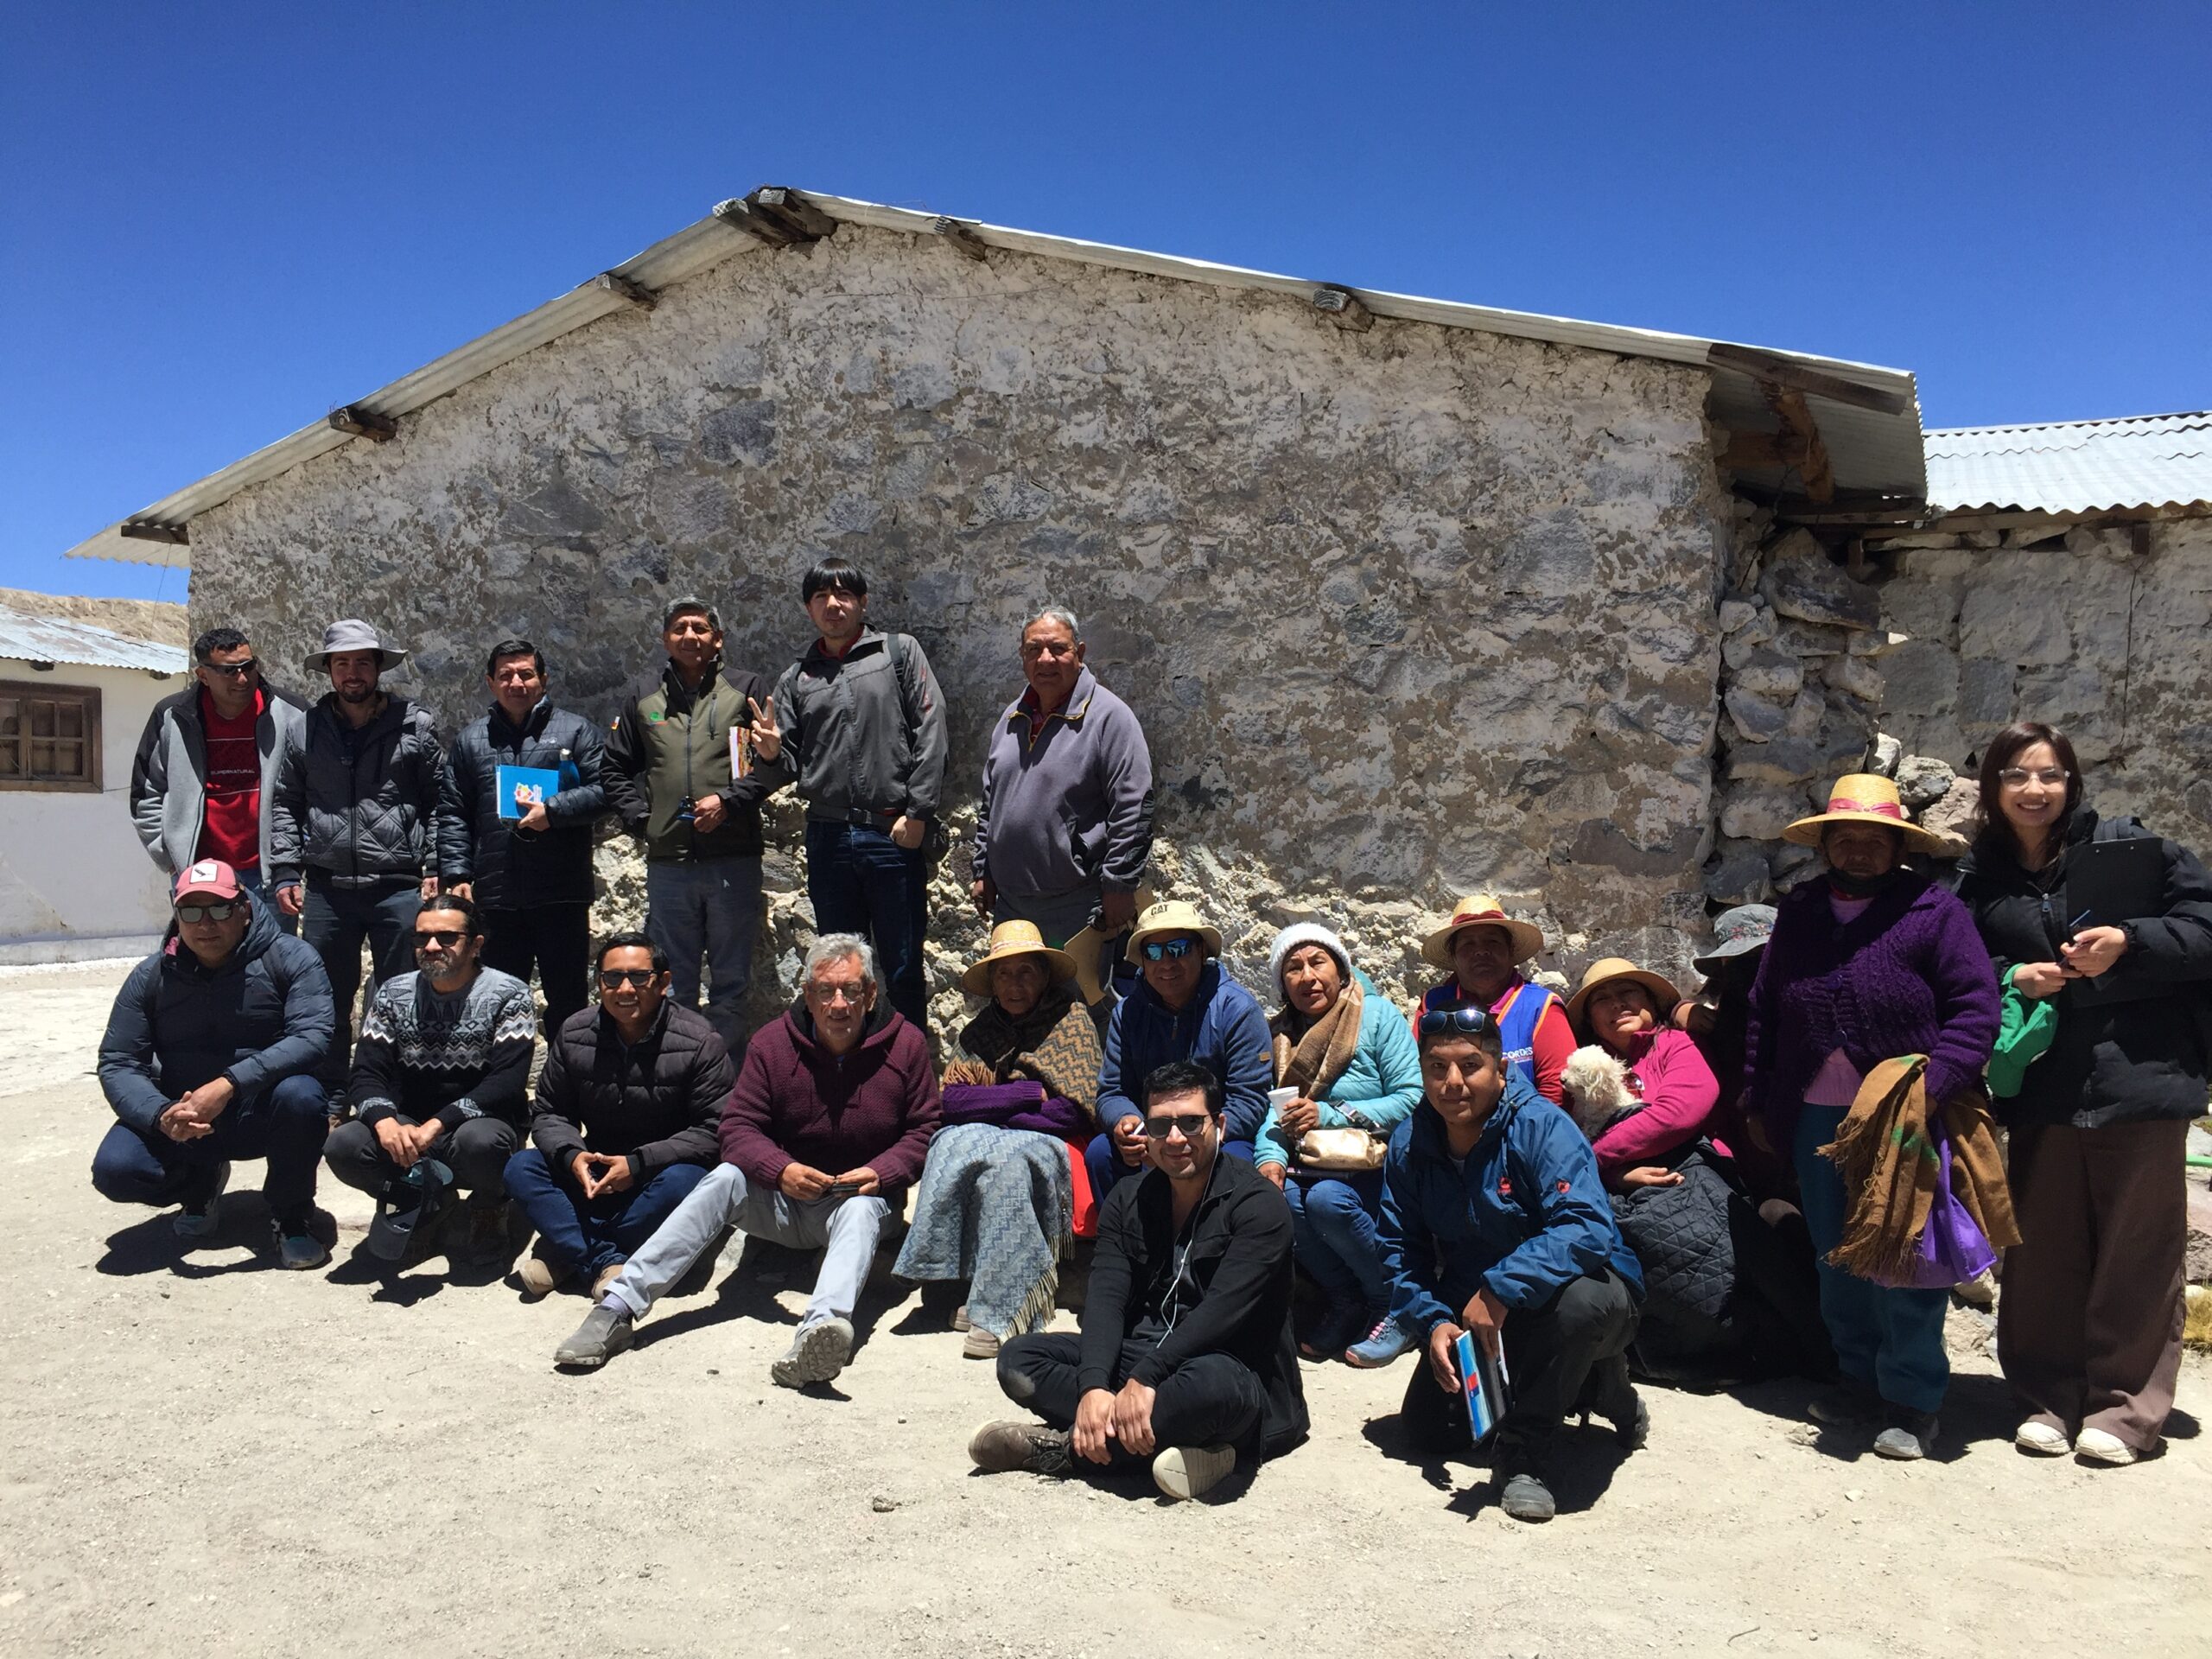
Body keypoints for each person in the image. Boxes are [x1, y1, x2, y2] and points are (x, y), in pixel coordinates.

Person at [1950, 721, 2212, 1466]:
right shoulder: (1977, 877)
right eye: (2016, 775)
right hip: (2044, 1082)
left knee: (2138, 1249)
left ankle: (2123, 1410)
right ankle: (2045, 1398)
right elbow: (1953, 962)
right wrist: (2012, 976)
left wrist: (2130, 942)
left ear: (2072, 782)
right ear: (1993, 787)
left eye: (2050, 775)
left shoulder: (2137, 853)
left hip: (2141, 1075)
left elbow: (2205, 932)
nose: (2034, 789)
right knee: (2041, 1246)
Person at [1745, 773, 2001, 1461]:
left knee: (1906, 1254)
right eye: (1845, 838)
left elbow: (1976, 1010)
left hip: (1904, 1117)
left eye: (1874, 840)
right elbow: (1766, 1008)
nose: (1858, 850)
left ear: (1898, 848)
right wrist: (1758, 1096)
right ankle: (1858, 1379)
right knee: (1837, 1254)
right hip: (1815, 1113)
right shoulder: (1801, 911)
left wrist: (1932, 1089)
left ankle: (1913, 1398)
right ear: (1826, 844)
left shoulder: (1934, 912)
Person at [552, 934, 940, 1388]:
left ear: (870, 994)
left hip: (863, 1202)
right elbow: (737, 1128)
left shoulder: (906, 1045)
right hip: (784, 1202)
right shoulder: (773, 1044)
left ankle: (818, 1334)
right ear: (807, 994)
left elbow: (924, 1130)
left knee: (858, 1210)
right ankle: (616, 1308)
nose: (838, 1004)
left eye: (851, 990)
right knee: (724, 1178)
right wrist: (780, 1170)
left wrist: (881, 1172)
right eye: (825, 990)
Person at [970, 1059, 1309, 1502]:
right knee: (1019, 1360)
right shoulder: (1128, 1198)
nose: (1175, 1139)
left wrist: (1146, 1378)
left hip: (1230, 1367)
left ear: (1220, 1126)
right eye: (1161, 1125)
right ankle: (1192, 1450)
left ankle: (1064, 1451)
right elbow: (1106, 1297)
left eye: (1191, 1123)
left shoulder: (1259, 1205)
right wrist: (1095, 1386)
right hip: (1142, 1361)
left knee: (1208, 1390)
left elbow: (1223, 1313)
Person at [1376, 1006, 1645, 1523]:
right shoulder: (1411, 1141)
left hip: (1579, 1291)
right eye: (1437, 1068)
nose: (1453, 1083)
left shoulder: (1541, 1126)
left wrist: (1501, 1287)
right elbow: (1398, 1248)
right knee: (1430, 1431)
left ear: (1500, 1069)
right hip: (1477, 1306)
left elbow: (1586, 1227)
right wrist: (1433, 1321)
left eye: (1470, 1066)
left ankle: (1527, 1458)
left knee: (1578, 1309)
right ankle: (1595, 1384)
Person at [1564, 957, 1829, 1385]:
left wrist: (1593, 1160)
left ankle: (1818, 1350)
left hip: (1696, 1172)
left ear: (1652, 1005)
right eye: (1603, 1000)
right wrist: (1614, 1176)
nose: (1618, 1004)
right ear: (1591, 1020)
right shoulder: (1584, 1071)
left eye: (1629, 993)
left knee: (1749, 1240)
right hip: (1621, 1184)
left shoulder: (1674, 1045)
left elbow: (1680, 1111)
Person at [92, 861, 336, 1268]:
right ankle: (199, 1188)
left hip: (260, 1111)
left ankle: (291, 1216)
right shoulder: (150, 975)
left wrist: (228, 1084)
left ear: (244, 908)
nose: (205, 924)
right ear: (176, 915)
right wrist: (160, 1114)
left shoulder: (291, 957)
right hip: (185, 1115)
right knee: (117, 1170)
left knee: (302, 1097)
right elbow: (118, 1060)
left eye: (220, 908)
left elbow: (312, 1036)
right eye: (191, 911)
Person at [895, 921, 1104, 1358]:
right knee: (947, 1144)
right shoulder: (981, 1031)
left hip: (1057, 1141)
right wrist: (1025, 1093)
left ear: (1044, 976)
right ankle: (956, 1280)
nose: (1014, 984)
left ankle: (1003, 1307)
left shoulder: (1071, 1021)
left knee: (1009, 1164)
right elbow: (952, 1102)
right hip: (1003, 1128)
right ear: (992, 982)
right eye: (1004, 974)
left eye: (1025, 972)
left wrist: (991, 1106)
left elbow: (1070, 1111)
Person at [756, 560, 950, 1031]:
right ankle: (851, 1067)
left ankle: (908, 1070)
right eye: (821, 597)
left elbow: (932, 728)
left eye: (843, 594)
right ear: (808, 609)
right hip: (829, 838)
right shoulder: (797, 678)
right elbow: (785, 765)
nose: (833, 605)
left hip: (892, 834)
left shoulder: (898, 653)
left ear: (862, 602)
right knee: (842, 972)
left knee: (902, 968)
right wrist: (771, 753)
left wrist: (919, 812)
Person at [505, 931, 734, 1301]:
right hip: (594, 1171)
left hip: (659, 1176)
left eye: (639, 977)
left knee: (689, 1182)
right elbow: (550, 1111)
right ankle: (603, 1260)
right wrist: (573, 1156)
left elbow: (713, 1129)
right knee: (522, 1167)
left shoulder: (699, 1041)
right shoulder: (575, 1032)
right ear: (599, 983)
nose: (625, 989)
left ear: (663, 982)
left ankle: (567, 1251)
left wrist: (638, 1164)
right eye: (612, 978)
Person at [269, 620, 445, 1101]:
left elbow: (439, 801)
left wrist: (435, 866)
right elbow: (286, 801)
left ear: (378, 668)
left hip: (398, 884)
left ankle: (391, 1091)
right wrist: (286, 869)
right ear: (328, 670)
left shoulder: (414, 724)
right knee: (325, 995)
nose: (353, 672)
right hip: (327, 888)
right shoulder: (304, 729)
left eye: (363, 662)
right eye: (342, 663)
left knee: (403, 993)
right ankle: (331, 1094)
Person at [321, 893, 539, 1264]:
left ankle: (490, 1206)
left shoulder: (509, 994)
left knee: (481, 1144)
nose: (432, 946)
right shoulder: (393, 993)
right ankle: (423, 1199)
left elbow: (507, 1081)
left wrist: (440, 1123)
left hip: (479, 1124)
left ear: (475, 945)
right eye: (422, 937)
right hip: (410, 1123)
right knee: (344, 1146)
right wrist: (384, 1121)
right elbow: (367, 1072)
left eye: (447, 937)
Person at [604, 598, 777, 1056]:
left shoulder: (746, 689)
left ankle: (725, 1085)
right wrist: (643, 821)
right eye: (679, 628)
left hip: (733, 859)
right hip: (669, 866)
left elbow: (771, 765)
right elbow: (614, 768)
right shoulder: (644, 695)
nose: (690, 636)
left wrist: (728, 802)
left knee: (730, 985)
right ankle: (681, 1079)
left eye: (700, 628)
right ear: (666, 639)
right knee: (672, 984)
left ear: (717, 639)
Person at [1250, 923, 1424, 1368]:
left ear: (1341, 970)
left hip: (1377, 1161)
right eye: (1293, 968)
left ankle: (1395, 1304)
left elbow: (1412, 1097)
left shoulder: (1377, 1016)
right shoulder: (1282, 1035)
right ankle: (1346, 1299)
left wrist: (1328, 1114)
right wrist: (1270, 1159)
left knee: (1328, 1201)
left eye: (1318, 962)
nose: (1307, 976)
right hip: (1312, 1161)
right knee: (1282, 1201)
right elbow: (1277, 1107)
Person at [436, 639, 608, 1038]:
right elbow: (453, 811)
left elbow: (607, 791)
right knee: (495, 1004)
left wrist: (555, 811)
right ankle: (502, 1078)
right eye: (506, 675)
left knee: (568, 1004)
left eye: (526, 674)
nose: (516, 683)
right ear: (491, 683)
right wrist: (457, 873)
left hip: (561, 894)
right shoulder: (471, 741)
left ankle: (567, 1078)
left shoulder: (576, 731)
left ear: (543, 680)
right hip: (496, 898)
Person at [969, 608, 1154, 964]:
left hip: (1077, 905)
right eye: (1033, 650)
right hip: (1011, 906)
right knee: (1019, 995)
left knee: (1079, 998)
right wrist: (984, 870)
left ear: (1079, 653)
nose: (1045, 659)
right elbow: (991, 803)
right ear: (1022, 656)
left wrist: (1119, 884)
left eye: (1058, 649)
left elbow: (1134, 805)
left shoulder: (1109, 717)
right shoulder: (1011, 718)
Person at [1088, 899, 1272, 1198]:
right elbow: (1113, 1091)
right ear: (1143, 960)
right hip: (1152, 1134)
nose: (1166, 962)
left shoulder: (1237, 1010)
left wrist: (1193, 1136)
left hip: (1216, 1137)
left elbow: (1249, 1098)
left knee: (1237, 1164)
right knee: (1101, 1154)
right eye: (1153, 952)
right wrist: (1128, 1123)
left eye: (1178, 948)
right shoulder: (1128, 1013)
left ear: (1201, 951)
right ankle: (1125, 1229)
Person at [130, 626, 309, 923]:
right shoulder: (173, 716)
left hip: (271, 874)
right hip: (199, 874)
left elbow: (315, 787)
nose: (243, 678)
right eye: (229, 671)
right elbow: (145, 792)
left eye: (248, 666)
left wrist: (293, 861)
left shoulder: (292, 713)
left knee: (275, 953)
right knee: (205, 951)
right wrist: (171, 856)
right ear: (203, 675)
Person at [1410, 894, 1573, 1103]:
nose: (1481, 951)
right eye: (1468, 944)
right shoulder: (1433, 1006)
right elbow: (1416, 1076)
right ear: (1454, 956)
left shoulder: (1540, 1007)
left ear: (1510, 951)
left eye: (1492, 941)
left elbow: (1557, 1091)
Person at [1674, 905, 1788, 1201]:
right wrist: (1679, 1011)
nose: (1751, 967)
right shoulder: (1723, 1015)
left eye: (1759, 955)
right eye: (1738, 959)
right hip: (1745, 1159)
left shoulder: (1803, 1008)